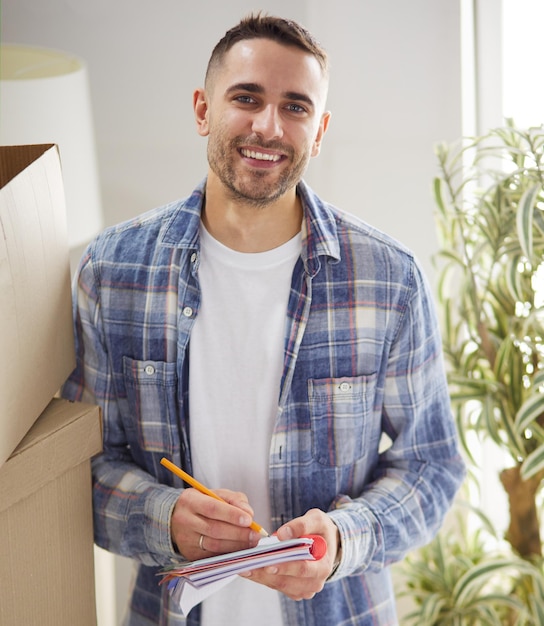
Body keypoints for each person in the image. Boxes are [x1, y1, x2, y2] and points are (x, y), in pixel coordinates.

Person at [62, 12, 465, 626]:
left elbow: (431, 466)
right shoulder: (112, 270)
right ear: (202, 109)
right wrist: (162, 516)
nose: (268, 126)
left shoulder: (389, 279)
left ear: (320, 129)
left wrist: (341, 541)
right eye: (246, 98)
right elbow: (81, 470)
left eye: (296, 107)